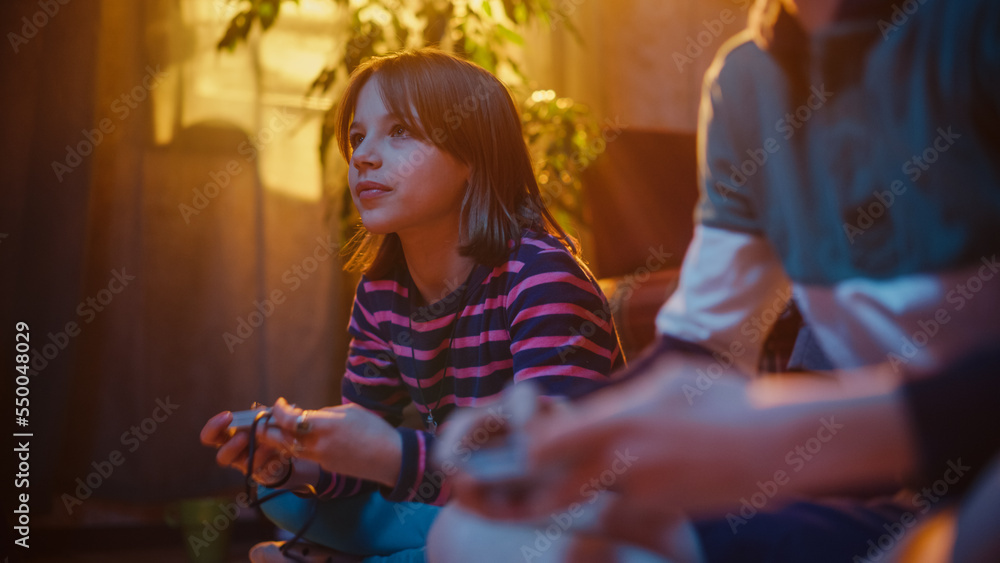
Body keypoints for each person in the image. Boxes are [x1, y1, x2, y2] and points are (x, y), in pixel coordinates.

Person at [428, 0, 1000, 561]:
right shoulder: (748, 80)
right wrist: (557, 416)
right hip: (909, 503)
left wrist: (789, 438)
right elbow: (704, 349)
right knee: (477, 535)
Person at [199, 48, 624, 563]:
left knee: (495, 540)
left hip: (560, 514)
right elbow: (364, 455)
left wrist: (393, 457)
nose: (363, 157)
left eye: (400, 131)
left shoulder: (541, 279)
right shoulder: (382, 295)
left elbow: (553, 475)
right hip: (461, 498)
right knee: (284, 498)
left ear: (473, 156)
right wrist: (289, 459)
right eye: (358, 138)